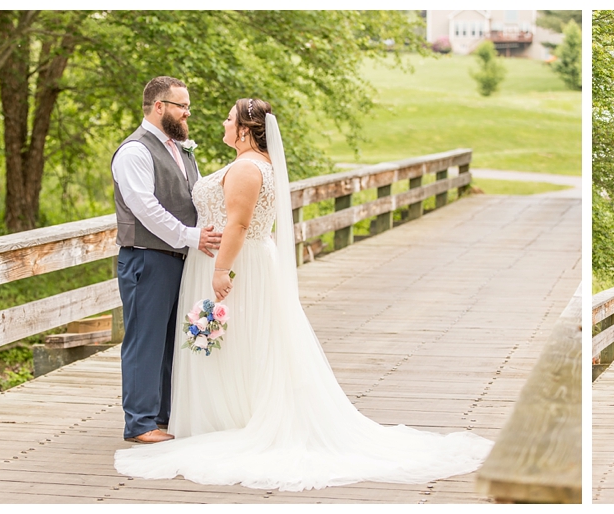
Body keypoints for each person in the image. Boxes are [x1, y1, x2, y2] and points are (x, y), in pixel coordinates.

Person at [114, 98, 493, 491]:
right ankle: (216, 413)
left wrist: (220, 269)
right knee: (235, 343)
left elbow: (239, 225)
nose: (221, 124)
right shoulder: (254, 163)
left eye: (228, 120)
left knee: (231, 341)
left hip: (233, 264)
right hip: (229, 260)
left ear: (245, 129)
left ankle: (225, 419)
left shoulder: (247, 167)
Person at [112, 76, 221, 444]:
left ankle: (163, 416)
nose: (187, 112)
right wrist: (191, 237)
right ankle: (140, 423)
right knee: (145, 339)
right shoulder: (135, 152)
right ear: (159, 107)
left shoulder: (181, 148)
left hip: (179, 258)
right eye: (181, 105)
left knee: (173, 339)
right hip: (147, 258)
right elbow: (146, 209)